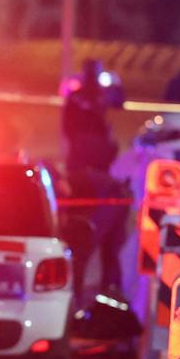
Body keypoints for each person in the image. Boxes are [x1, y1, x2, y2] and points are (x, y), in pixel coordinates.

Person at [62, 59, 128, 306]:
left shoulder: (80, 96)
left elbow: (67, 126)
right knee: (99, 241)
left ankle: (95, 290)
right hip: (93, 169)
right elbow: (119, 102)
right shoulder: (94, 96)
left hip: (87, 168)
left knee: (87, 239)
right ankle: (107, 289)